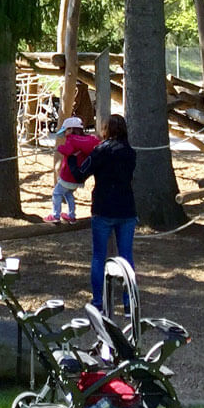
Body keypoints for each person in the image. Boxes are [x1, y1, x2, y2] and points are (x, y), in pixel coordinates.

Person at [68, 114, 136, 313]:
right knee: (126, 257)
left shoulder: (100, 151)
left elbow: (81, 173)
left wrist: (71, 158)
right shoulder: (130, 152)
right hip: (126, 208)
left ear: (106, 130)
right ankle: (128, 302)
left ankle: (99, 301)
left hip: (103, 208)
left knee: (99, 256)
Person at [48, 117, 100, 224]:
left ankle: (55, 215)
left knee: (57, 193)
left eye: (66, 130)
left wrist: (59, 148)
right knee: (68, 194)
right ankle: (71, 215)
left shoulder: (72, 139)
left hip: (68, 175)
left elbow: (68, 150)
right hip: (78, 177)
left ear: (71, 129)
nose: (65, 133)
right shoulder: (89, 140)